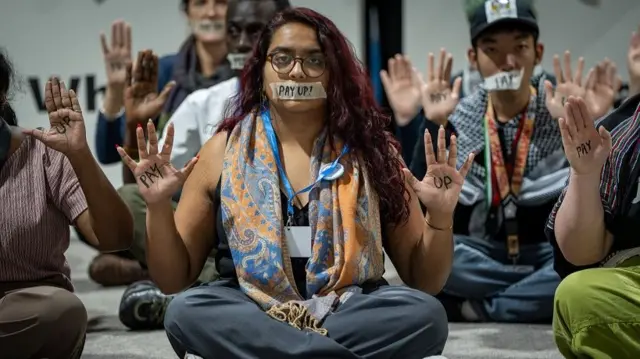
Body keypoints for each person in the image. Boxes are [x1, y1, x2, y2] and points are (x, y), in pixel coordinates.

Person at [118, 7, 476, 358]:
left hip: (349, 307)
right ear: (261, 71)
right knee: (187, 310)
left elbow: (424, 281)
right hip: (249, 303)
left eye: (314, 61)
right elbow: (173, 280)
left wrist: (440, 216)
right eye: (282, 59)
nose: (297, 72)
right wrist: (157, 205)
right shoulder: (222, 150)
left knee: (425, 315)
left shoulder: (373, 150)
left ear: (333, 73)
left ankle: (272, 352)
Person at [395, 0, 617, 323]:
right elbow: (418, 202)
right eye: (492, 50)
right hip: (483, 257)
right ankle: (524, 302)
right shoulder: (460, 113)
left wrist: (587, 122)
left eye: (520, 47)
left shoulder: (557, 110)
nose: (508, 62)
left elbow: (599, 210)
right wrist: (432, 121)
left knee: (586, 269)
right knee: (435, 262)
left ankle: (474, 308)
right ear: (473, 58)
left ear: (537, 53)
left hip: (547, 254)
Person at [116, 0, 292, 331]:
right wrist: (134, 126)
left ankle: (200, 290)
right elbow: (149, 181)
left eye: (255, 31)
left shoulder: (316, 101)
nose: (241, 43)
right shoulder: (206, 101)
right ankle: (203, 285)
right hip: (221, 245)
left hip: (301, 238)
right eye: (234, 32)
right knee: (132, 198)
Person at [88, 0, 235, 287]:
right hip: (172, 201)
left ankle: (151, 273)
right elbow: (109, 154)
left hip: (224, 203)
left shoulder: (247, 70)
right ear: (186, 12)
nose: (211, 12)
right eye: (200, 3)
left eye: (221, 2)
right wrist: (122, 103)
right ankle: (175, 271)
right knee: (125, 200)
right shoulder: (164, 70)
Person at [0, 51, 134, 359]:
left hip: (31, 306)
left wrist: (79, 154)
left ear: (2, 95)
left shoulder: (42, 153)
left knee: (63, 311)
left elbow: (116, 238)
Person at [546, 27, 640, 359]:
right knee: (576, 298)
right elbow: (582, 252)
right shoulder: (621, 129)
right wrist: (584, 175)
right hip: (624, 278)